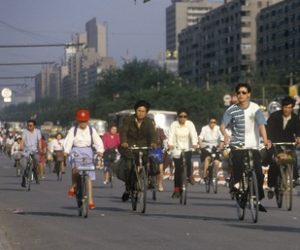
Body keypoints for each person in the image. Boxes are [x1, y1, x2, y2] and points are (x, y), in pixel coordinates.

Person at [220, 83, 269, 212]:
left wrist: (265, 139)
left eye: (244, 92)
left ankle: (256, 199)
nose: (241, 95)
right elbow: (223, 125)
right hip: (237, 144)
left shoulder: (255, 108)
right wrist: (225, 134)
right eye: (239, 93)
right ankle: (236, 185)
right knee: (237, 163)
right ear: (236, 95)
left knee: (258, 172)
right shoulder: (231, 109)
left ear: (249, 94)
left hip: (253, 144)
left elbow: (261, 125)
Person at [63, 109, 104, 210]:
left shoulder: (91, 130)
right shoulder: (73, 130)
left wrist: (100, 150)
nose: (83, 123)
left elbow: (97, 140)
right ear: (77, 121)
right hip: (76, 151)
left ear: (87, 121)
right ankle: (73, 185)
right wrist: (66, 151)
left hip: (88, 152)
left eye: (85, 121)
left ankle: (90, 200)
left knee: (88, 177)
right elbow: (68, 140)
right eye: (81, 121)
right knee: (75, 169)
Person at [118, 100, 157, 201]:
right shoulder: (128, 120)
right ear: (135, 111)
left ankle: (148, 180)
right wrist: (124, 142)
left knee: (150, 163)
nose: (141, 113)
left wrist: (153, 142)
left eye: (143, 111)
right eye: (139, 110)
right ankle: (128, 187)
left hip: (143, 147)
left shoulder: (148, 122)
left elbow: (153, 134)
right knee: (129, 166)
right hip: (129, 147)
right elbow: (123, 132)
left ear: (146, 112)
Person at [266, 96, 300, 197]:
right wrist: (269, 140)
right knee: (274, 162)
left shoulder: (295, 118)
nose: (287, 109)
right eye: (285, 107)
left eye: (289, 107)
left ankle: (294, 179)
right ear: (282, 107)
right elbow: (268, 129)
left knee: (293, 157)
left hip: (289, 144)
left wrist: (298, 137)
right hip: (276, 144)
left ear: (292, 108)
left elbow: (298, 130)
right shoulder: (274, 116)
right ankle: (271, 186)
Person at [168, 108, 198, 198]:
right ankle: (176, 189)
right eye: (181, 116)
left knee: (188, 161)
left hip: (188, 147)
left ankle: (189, 176)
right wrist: (170, 144)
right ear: (178, 117)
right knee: (178, 169)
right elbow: (171, 135)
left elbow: (193, 134)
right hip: (177, 148)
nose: (183, 118)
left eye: (185, 116)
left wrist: (194, 144)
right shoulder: (174, 124)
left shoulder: (190, 124)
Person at [199, 116, 224, 181]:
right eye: (211, 122)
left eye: (214, 122)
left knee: (217, 162)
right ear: (209, 122)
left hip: (215, 146)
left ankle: (215, 175)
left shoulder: (218, 128)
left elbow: (222, 138)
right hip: (206, 146)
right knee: (207, 158)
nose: (212, 124)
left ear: (216, 123)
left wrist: (221, 147)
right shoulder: (204, 128)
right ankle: (205, 174)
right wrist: (201, 145)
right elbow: (200, 138)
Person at [20, 119, 42, 188]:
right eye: (28, 125)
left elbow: (39, 141)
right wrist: (21, 147)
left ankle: (35, 174)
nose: (29, 127)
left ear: (34, 126)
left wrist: (40, 148)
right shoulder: (25, 132)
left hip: (34, 150)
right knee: (23, 165)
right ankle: (23, 178)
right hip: (26, 151)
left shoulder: (38, 131)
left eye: (31, 125)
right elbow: (22, 141)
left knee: (36, 159)